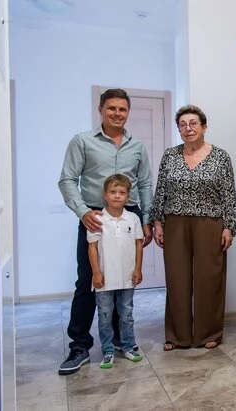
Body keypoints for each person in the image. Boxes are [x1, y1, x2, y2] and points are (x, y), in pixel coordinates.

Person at [58, 88, 153, 375]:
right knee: (90, 281)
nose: (117, 113)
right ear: (100, 109)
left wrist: (146, 220)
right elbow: (67, 179)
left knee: (123, 279)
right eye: (111, 108)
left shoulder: (137, 147)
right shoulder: (82, 141)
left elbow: (145, 184)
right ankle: (79, 345)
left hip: (129, 216)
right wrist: (83, 212)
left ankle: (120, 341)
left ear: (128, 112)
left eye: (122, 109)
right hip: (95, 217)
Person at [150, 104, 236, 351]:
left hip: (210, 222)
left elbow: (229, 194)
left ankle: (208, 332)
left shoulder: (221, 157)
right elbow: (161, 190)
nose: (187, 128)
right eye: (182, 125)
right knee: (177, 278)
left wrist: (229, 226)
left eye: (193, 123)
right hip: (175, 222)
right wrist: (157, 222)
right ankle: (177, 335)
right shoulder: (170, 156)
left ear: (204, 127)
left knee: (209, 278)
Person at [88, 174, 144, 368]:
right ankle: (108, 350)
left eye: (122, 192)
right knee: (105, 316)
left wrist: (138, 269)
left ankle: (128, 346)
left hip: (127, 278)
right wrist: (96, 272)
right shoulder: (97, 219)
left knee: (126, 314)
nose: (117, 196)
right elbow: (92, 247)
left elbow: (138, 245)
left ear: (128, 197)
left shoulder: (133, 219)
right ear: (105, 195)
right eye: (113, 192)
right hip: (105, 279)